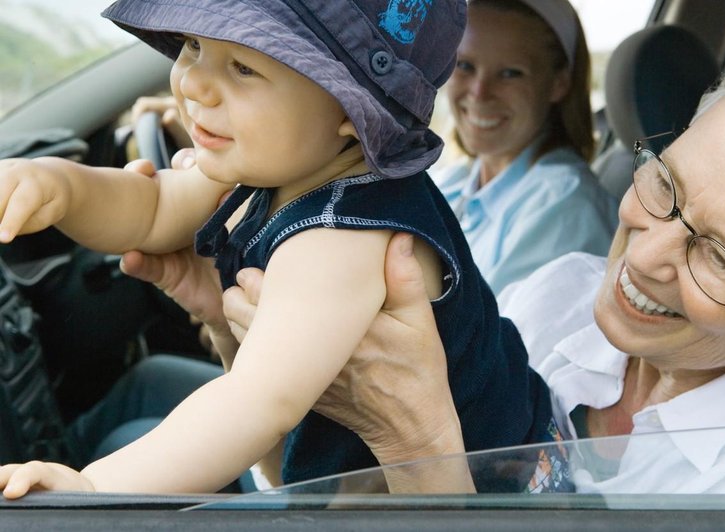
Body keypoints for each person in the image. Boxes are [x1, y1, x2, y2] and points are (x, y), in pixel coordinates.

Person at [0, 0, 560, 498]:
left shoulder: (342, 239)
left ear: (350, 110)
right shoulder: (285, 160)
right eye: (195, 46)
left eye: (243, 67)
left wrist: (96, 484)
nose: (194, 83)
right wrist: (58, 188)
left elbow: (257, 401)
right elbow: (151, 209)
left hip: (497, 496)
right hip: (353, 482)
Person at [221, 35, 725, 493]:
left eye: (720, 258)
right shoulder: (562, 292)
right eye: (665, 183)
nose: (642, 258)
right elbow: (309, 492)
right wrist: (232, 332)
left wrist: (415, 445)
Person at [434, 0, 618, 294]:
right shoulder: (453, 183)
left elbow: (486, 337)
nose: (480, 92)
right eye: (465, 66)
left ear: (558, 83)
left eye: (510, 73)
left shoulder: (565, 206)